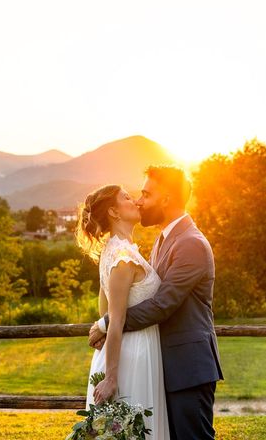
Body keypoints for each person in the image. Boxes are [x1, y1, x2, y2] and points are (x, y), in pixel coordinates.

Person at [88, 165, 224, 440]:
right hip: (162, 365)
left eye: (146, 195)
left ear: (166, 199)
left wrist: (106, 323)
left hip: (188, 368)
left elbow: (163, 304)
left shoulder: (191, 244)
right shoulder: (161, 241)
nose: (139, 201)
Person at [77, 184, 170, 439]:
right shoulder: (121, 257)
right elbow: (115, 320)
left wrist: (102, 326)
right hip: (133, 356)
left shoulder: (114, 251)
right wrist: (111, 378)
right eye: (127, 198)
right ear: (114, 212)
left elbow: (103, 309)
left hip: (135, 349)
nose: (136, 202)